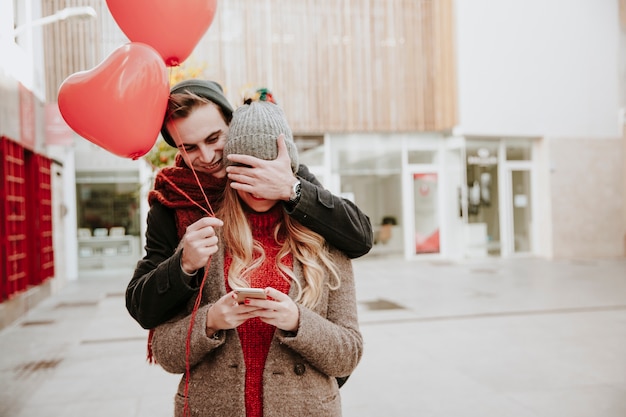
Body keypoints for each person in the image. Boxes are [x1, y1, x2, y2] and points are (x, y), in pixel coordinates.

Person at [151, 96, 363, 417]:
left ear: (287, 170)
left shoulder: (324, 238)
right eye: (245, 168)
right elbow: (165, 351)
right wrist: (209, 322)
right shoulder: (203, 237)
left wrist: (297, 322)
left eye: (267, 169)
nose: (258, 182)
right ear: (229, 170)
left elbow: (349, 354)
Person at [126, 80, 372, 330]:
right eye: (189, 148)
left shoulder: (278, 170)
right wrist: (183, 264)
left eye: (214, 139)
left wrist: (292, 189)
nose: (208, 156)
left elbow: (360, 238)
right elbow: (141, 308)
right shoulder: (172, 198)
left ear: (231, 125)